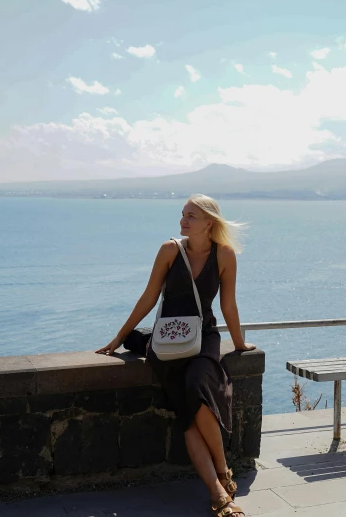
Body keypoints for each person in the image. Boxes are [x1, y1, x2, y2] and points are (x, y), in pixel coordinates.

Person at [96, 194, 255, 517]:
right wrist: (119, 337)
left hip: (203, 339)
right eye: (183, 215)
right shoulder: (170, 250)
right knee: (187, 415)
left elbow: (228, 306)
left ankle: (221, 472)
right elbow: (149, 297)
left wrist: (239, 344)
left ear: (209, 222)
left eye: (191, 216)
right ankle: (218, 493)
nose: (183, 221)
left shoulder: (225, 255)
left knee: (197, 391)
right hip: (168, 342)